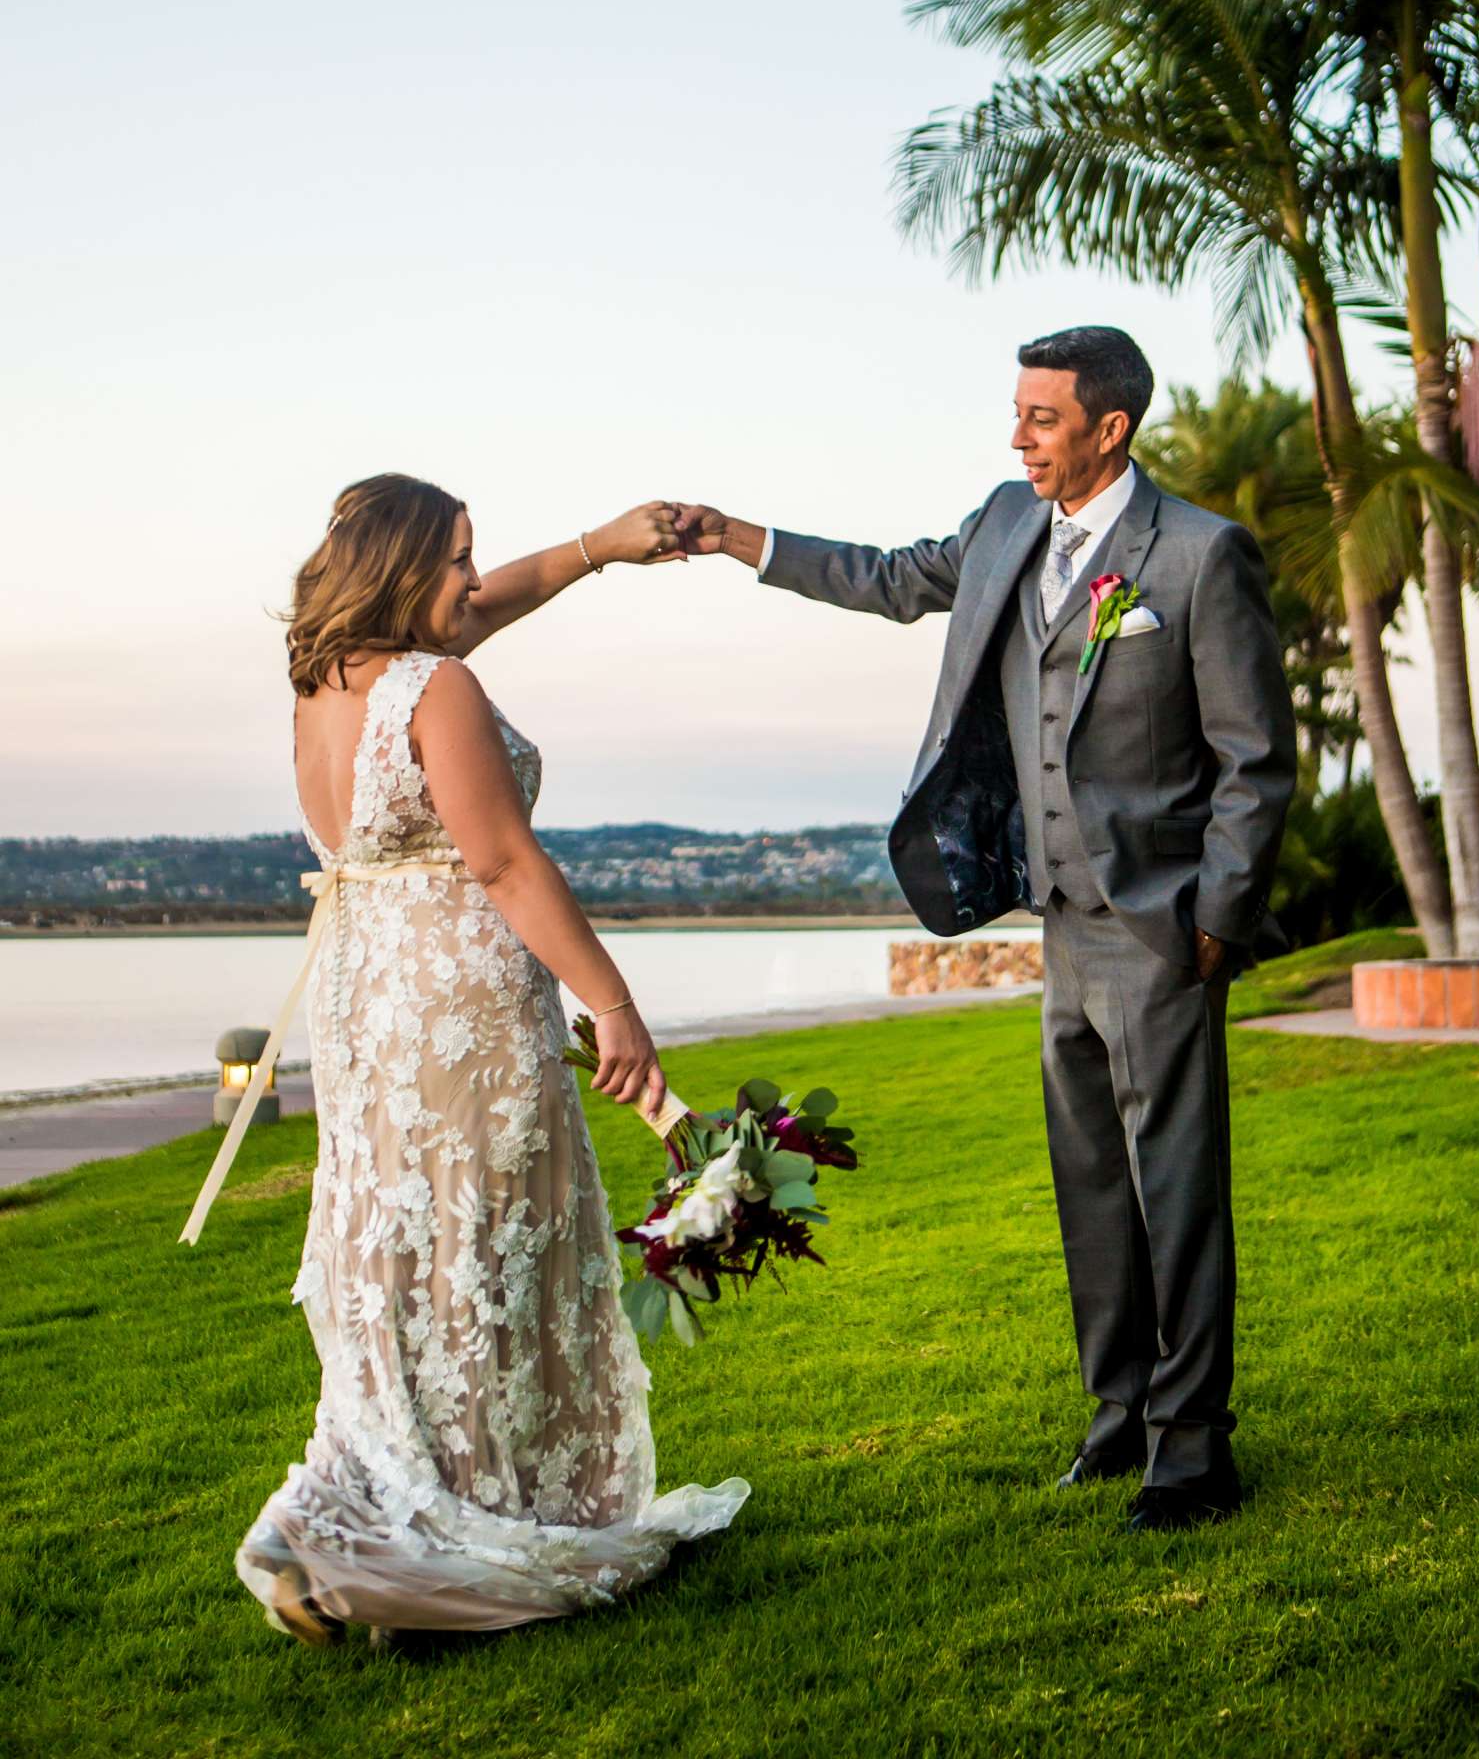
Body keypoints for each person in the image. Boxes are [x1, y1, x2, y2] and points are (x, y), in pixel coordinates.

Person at [673, 325, 1295, 1531]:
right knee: (1091, 1191)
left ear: (1109, 430)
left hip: (1162, 924)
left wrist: (1215, 919)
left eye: (1042, 418)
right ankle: (1116, 1419)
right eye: (1016, 413)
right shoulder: (1004, 524)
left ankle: (1192, 1449)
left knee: (1175, 1189)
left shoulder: (1202, 557)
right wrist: (740, 538)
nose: (1017, 436)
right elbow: (889, 578)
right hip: (1057, 917)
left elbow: (1254, 764)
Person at [229, 473, 747, 1644]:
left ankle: (347, 1509)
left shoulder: (323, 681)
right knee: (487, 1259)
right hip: (467, 1011)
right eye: (458, 557)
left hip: (373, 1016)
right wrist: (612, 1004)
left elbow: (477, 611)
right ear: (408, 569)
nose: (473, 578)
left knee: (413, 1258)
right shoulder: (435, 686)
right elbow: (507, 864)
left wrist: (600, 548)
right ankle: (449, 1530)